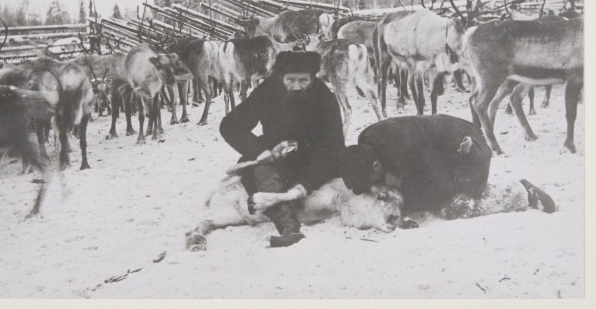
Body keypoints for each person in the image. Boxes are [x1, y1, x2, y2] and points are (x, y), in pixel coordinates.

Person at [219, 50, 345, 247]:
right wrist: (260, 150)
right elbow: (230, 125)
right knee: (259, 171)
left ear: (312, 78)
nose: (296, 86)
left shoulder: (324, 97)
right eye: (290, 79)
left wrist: (307, 182)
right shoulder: (267, 91)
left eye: (303, 80)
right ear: (281, 77)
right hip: (276, 159)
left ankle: (293, 198)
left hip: (314, 159)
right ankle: (288, 226)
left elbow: (335, 145)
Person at [339, 115, 556, 220]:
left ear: (376, 165)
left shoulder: (406, 150)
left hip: (469, 148)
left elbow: (440, 187)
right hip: (437, 146)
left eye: (371, 180)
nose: (372, 186)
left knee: (453, 205)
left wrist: (404, 204)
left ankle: (519, 191)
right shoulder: (366, 139)